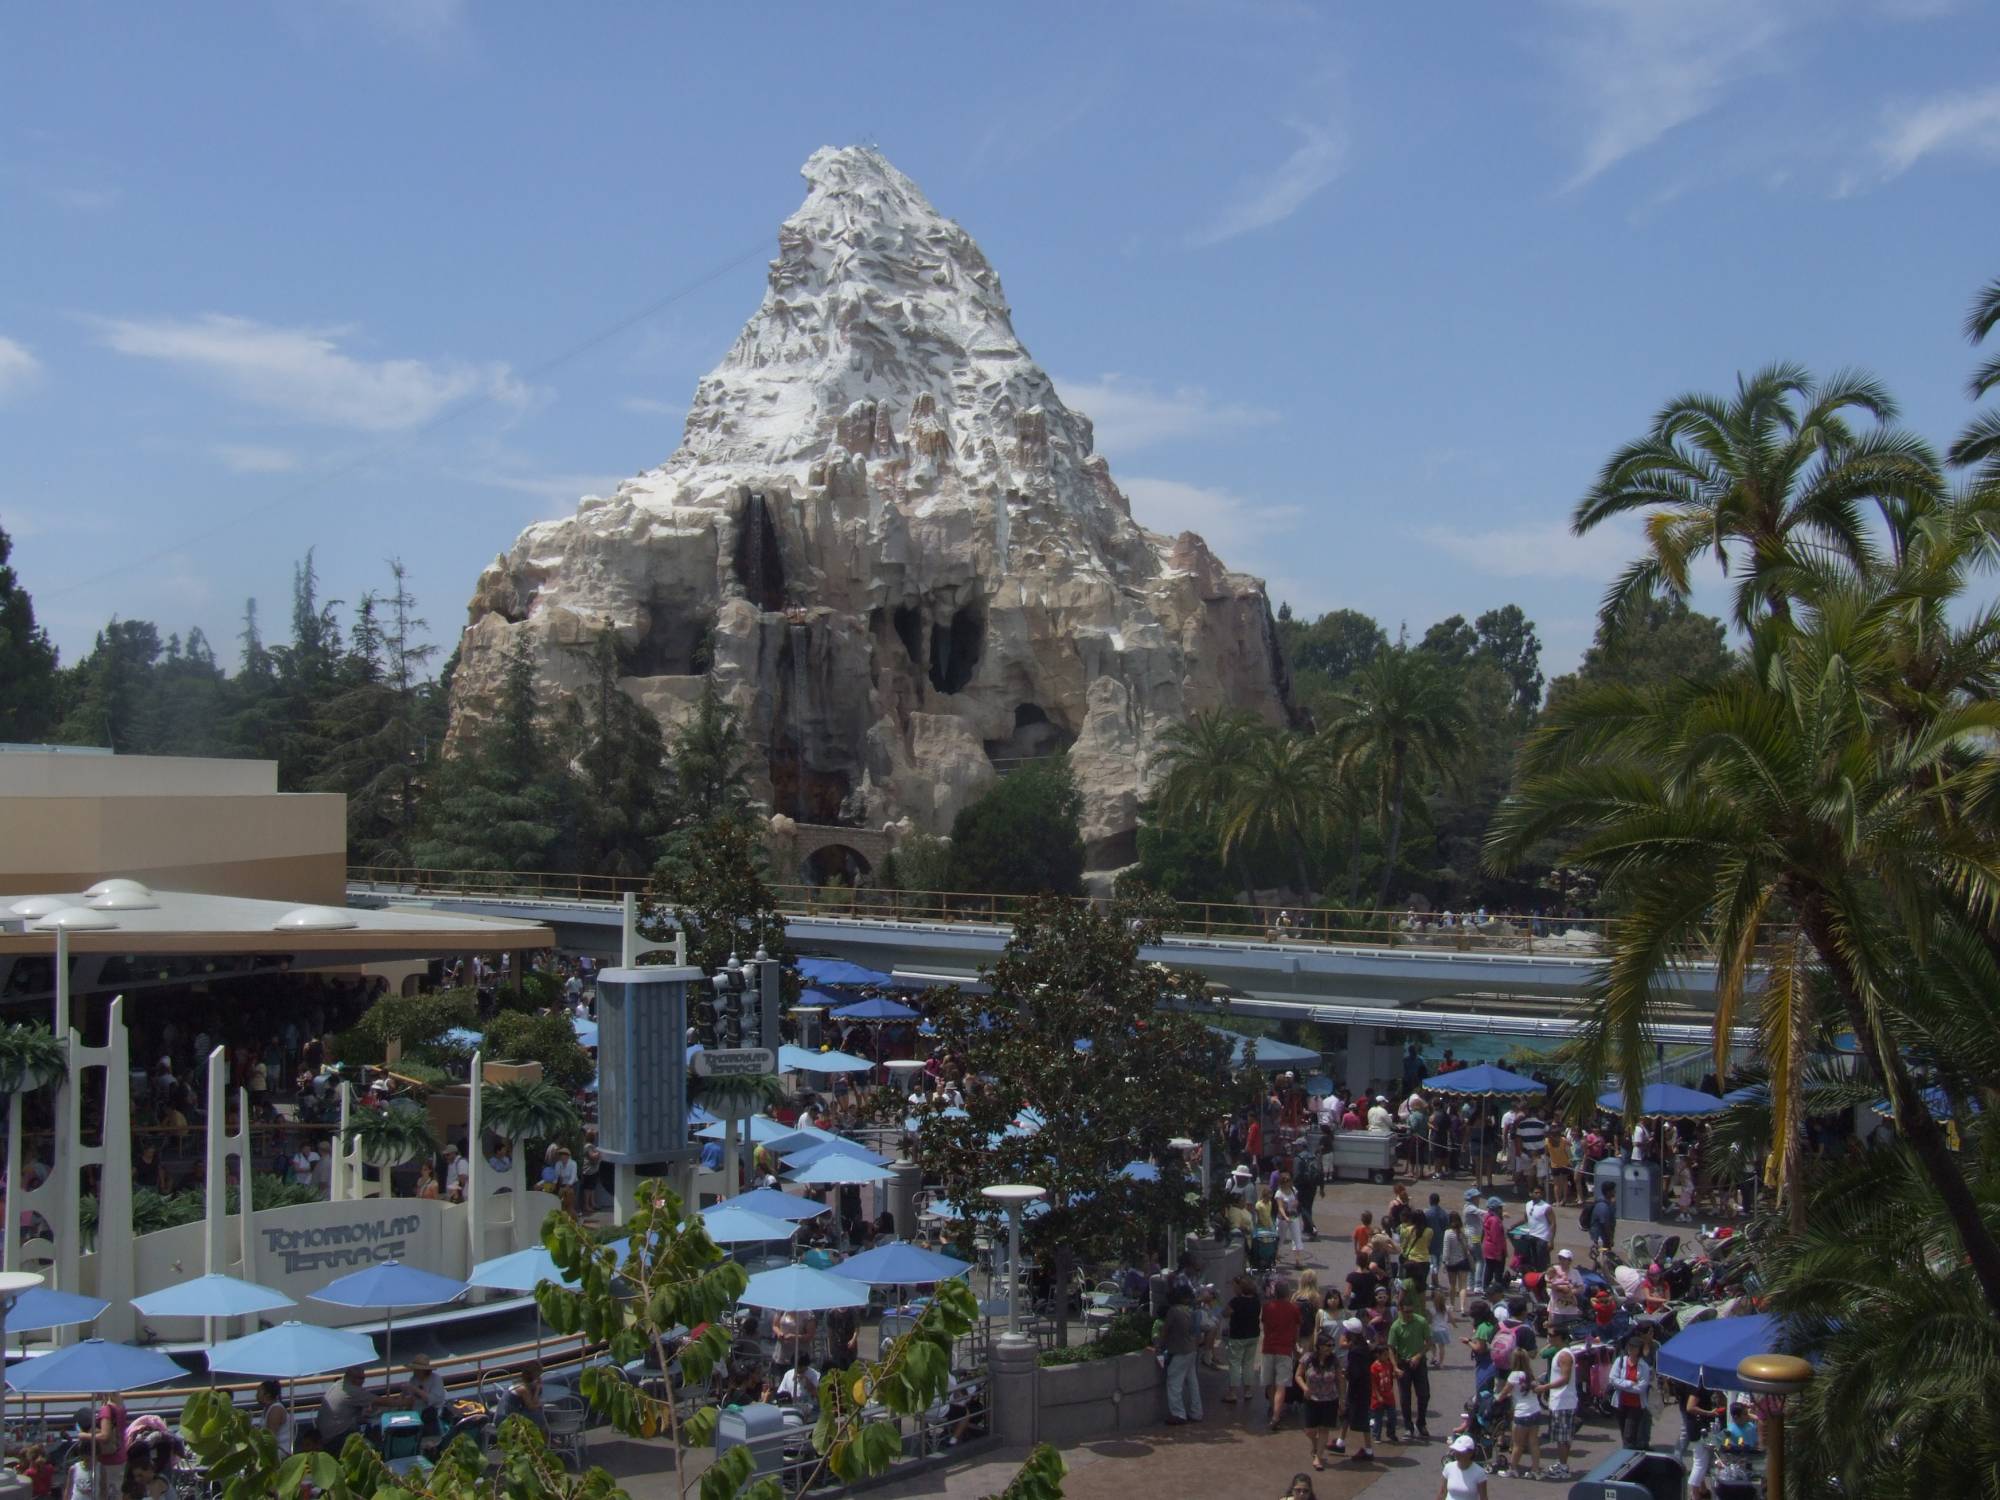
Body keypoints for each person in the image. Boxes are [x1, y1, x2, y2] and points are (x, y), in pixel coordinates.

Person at [1293, 1333, 1342, 1471]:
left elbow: (1339, 1380)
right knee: (1310, 1430)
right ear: (1319, 1346)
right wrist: (1304, 1387)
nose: (1330, 1348)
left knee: (1324, 1429)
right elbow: (1298, 1375)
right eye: (1328, 1345)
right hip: (1311, 1398)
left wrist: (1342, 1399)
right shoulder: (1307, 1358)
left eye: (1332, 1346)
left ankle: (1318, 1457)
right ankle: (1315, 1443)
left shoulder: (1334, 1360)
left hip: (1329, 1399)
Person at [1387, 1292, 1432, 1440]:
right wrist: (1395, 1367)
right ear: (1400, 1310)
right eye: (1406, 1312)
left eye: (1411, 1311)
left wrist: (1418, 1356)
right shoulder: (1396, 1326)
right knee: (1405, 1397)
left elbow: (1429, 1343)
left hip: (1419, 1362)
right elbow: (1391, 1348)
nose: (1409, 1314)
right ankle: (1408, 1426)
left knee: (1424, 1394)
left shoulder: (1421, 1322)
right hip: (1403, 1364)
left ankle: (1421, 1423)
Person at [1261, 1278, 1303, 1430]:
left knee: (1270, 1383)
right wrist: (1296, 1344)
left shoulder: (1267, 1307)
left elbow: (1265, 1327)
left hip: (1268, 1348)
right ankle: (1276, 1415)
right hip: (1285, 1349)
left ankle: (1273, 1408)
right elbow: (1297, 1329)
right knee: (1281, 1384)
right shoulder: (1293, 1308)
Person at [1539, 1338, 1582, 1480]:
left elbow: (1565, 1378)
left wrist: (1545, 1387)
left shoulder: (1564, 1356)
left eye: (1551, 1335)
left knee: (1563, 1438)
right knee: (1561, 1437)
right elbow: (1542, 1352)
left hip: (1564, 1401)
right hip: (1559, 1401)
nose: (1549, 1338)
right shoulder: (1560, 1352)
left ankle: (1563, 1467)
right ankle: (1561, 1463)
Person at [1159, 1284, 1203, 1425]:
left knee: (1174, 1382)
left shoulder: (1173, 1311)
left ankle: (1178, 1414)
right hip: (1192, 1349)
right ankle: (1197, 1412)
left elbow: (1165, 1331)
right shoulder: (1191, 1310)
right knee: (1192, 1382)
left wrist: (1159, 1346)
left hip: (1180, 1350)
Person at [1335, 1318, 1374, 1460]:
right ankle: (1340, 1442)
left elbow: (1355, 1373)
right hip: (1363, 1386)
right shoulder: (1363, 1346)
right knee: (1347, 1413)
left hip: (1359, 1389)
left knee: (1362, 1419)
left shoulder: (1355, 1351)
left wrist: (1347, 1373)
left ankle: (1369, 1450)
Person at [1609, 1333, 1655, 1450]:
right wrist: (1629, 1383)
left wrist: (1621, 1384)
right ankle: (1630, 1454)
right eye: (1629, 1347)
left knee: (1629, 1435)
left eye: (1634, 1347)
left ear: (1639, 1350)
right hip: (1620, 1403)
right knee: (1625, 1434)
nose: (1631, 1350)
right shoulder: (1620, 1361)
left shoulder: (1643, 1366)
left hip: (1635, 1406)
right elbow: (1613, 1379)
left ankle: (1627, 1457)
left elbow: (1641, 1388)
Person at [1223, 1273, 1263, 1407]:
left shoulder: (1236, 1302)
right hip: (1253, 1335)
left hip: (1238, 1336)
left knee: (1235, 1363)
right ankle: (1248, 1391)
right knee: (1248, 1363)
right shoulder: (1256, 1300)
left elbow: (1225, 1313)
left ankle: (1233, 1392)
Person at [314, 1367, 375, 1449]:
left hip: (326, 1436)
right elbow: (380, 1401)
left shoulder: (337, 1386)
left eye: (364, 1378)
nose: (363, 1381)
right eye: (361, 1378)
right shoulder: (351, 1391)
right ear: (351, 1378)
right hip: (335, 1439)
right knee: (369, 1446)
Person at [1504, 1368, 1543, 1479]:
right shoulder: (1530, 1374)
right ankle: (1535, 1470)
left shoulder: (1514, 1375)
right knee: (1534, 1443)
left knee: (1518, 1445)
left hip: (1522, 1413)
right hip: (1535, 1411)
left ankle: (1513, 1469)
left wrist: (1497, 1398)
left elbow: (1505, 1391)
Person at [493, 1362, 548, 1438]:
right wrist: (538, 1392)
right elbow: (531, 1406)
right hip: (505, 1419)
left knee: (537, 1413)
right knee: (538, 1415)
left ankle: (541, 1438)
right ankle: (543, 1440)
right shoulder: (523, 1389)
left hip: (511, 1412)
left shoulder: (519, 1382)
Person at [91, 1391, 128, 1496]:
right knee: (119, 1493)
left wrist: (84, 1435)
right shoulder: (120, 1406)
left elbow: (104, 1436)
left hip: (108, 1460)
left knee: (105, 1493)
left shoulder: (106, 1409)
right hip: (121, 1455)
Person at [1435, 1433, 1490, 1499]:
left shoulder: (1479, 1473)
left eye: (1460, 1451)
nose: (1456, 1453)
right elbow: (1442, 1492)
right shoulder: (1448, 1468)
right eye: (1455, 1450)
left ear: (1470, 1453)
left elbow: (1483, 1497)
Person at [1368, 1336, 1398, 1445]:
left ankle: (1391, 1433)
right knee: (1378, 1418)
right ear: (1378, 1355)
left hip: (1389, 1395)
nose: (1386, 1357)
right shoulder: (1374, 1367)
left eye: (1387, 1355)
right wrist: (1377, 1395)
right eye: (1384, 1355)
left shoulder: (1389, 1365)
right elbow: (1373, 1383)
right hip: (1378, 1397)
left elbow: (1390, 1377)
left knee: (1392, 1416)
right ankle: (1376, 1435)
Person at [1440, 1211, 1470, 1317]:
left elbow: (1446, 1249)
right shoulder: (1464, 1232)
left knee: (1452, 1285)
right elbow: (1468, 1247)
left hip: (1451, 1262)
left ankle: (1452, 1306)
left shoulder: (1447, 1233)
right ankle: (1462, 1307)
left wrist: (1444, 1262)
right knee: (1463, 1286)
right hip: (1463, 1261)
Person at [256, 1380, 292, 1458]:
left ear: (267, 1395)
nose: (256, 1395)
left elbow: (271, 1437)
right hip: (272, 1450)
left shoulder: (276, 1409)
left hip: (280, 1451)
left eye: (258, 1392)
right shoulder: (266, 1409)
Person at [1275, 1173, 1305, 1268]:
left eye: (1290, 1181)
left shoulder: (1293, 1189)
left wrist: (1296, 1203)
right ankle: (1275, 1254)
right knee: (1281, 1237)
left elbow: (1296, 1200)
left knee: (1297, 1237)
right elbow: (1280, 1207)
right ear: (1282, 1183)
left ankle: (1298, 1261)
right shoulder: (1279, 1193)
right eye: (1287, 1181)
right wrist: (1285, 1217)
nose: (1289, 1183)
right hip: (1283, 1218)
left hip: (1294, 1216)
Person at [1480, 1196, 1507, 1291]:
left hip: (1488, 1248)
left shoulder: (1487, 1217)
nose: (1501, 1210)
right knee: (1497, 1271)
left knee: (1489, 1269)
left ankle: (1486, 1288)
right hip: (1495, 1249)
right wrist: (1499, 1253)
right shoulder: (1495, 1220)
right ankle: (1496, 1290)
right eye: (1500, 1208)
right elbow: (1496, 1238)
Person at [1588, 1181, 1618, 1264]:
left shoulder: (1607, 1202)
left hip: (1603, 1237)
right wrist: (1610, 1239)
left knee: (1603, 1257)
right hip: (1601, 1239)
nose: (1615, 1192)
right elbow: (1606, 1225)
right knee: (1602, 1258)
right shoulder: (1603, 1207)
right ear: (1608, 1192)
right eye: (1613, 1190)